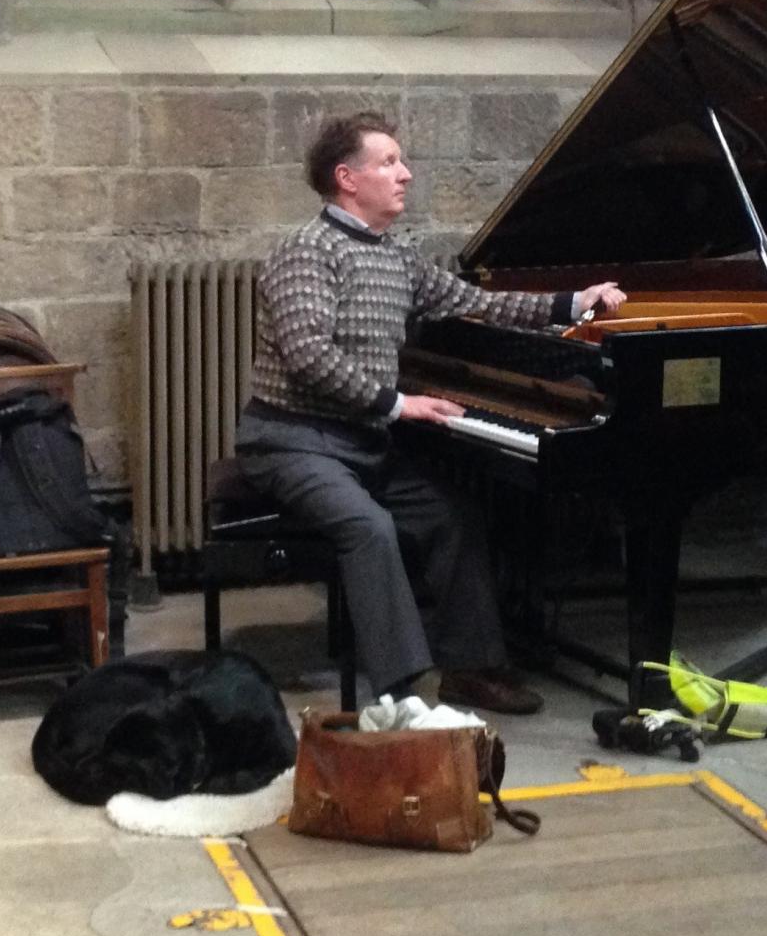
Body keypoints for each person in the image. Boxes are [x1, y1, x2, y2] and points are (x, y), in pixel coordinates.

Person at [235, 112, 624, 714]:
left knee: (454, 517)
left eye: (402, 161)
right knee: (370, 527)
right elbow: (309, 355)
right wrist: (397, 403)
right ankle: (404, 695)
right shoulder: (306, 251)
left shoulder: (396, 256)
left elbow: (475, 304)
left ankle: (469, 670)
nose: (406, 174)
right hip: (292, 442)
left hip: (360, 445)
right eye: (389, 162)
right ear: (347, 178)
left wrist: (573, 302)